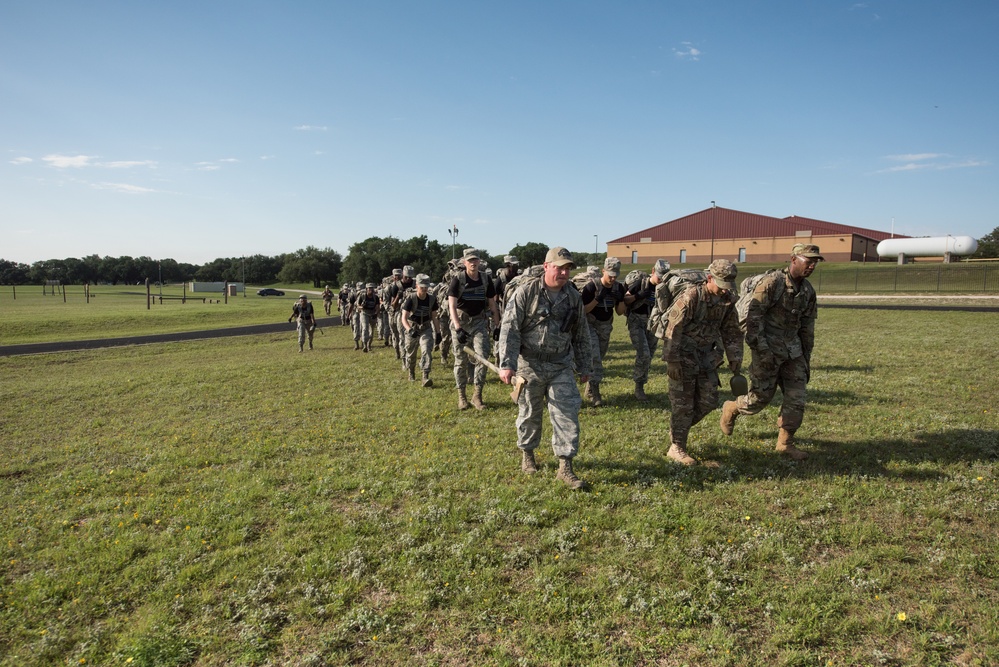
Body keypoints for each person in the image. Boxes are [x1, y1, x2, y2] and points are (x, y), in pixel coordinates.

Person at [498, 246, 592, 490]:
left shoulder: (572, 296)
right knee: (529, 413)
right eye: (559, 267)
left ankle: (565, 466)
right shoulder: (526, 292)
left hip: (561, 364)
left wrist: (585, 365)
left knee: (566, 413)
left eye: (567, 268)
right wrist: (507, 364)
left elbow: (581, 332)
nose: (563, 272)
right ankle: (528, 454)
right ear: (546, 266)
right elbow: (510, 329)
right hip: (529, 365)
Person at [720, 244, 823, 460]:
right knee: (759, 399)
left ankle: (785, 443)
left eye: (815, 262)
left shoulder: (807, 291)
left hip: (793, 353)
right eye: (808, 260)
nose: (812, 265)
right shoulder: (772, 283)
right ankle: (732, 408)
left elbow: (807, 328)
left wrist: (806, 358)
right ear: (794, 259)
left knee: (797, 399)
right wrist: (762, 352)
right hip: (767, 350)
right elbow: (753, 320)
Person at [664, 260, 744, 465]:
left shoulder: (727, 300)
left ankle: (677, 431)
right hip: (682, 357)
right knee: (683, 405)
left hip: (707, 358)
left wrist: (735, 356)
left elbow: (732, 330)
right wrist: (672, 361)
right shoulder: (691, 297)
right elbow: (673, 328)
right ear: (709, 279)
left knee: (709, 401)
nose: (724, 291)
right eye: (721, 285)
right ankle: (677, 447)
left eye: (728, 286)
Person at [448, 248, 501, 410]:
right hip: (461, 323)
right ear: (464, 262)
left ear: (479, 262)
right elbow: (452, 305)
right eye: (470, 260)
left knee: (483, 357)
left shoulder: (486, 279)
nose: (473, 263)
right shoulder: (458, 279)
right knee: (460, 360)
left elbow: (492, 304)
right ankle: (461, 396)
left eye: (475, 260)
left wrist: (497, 325)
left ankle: (477, 395)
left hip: (479, 322)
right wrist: (458, 328)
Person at [580, 256, 631, 406]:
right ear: (603, 271)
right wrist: (597, 299)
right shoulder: (591, 287)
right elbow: (582, 311)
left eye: (616, 276)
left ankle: (590, 388)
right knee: (595, 358)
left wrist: (621, 299)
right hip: (590, 325)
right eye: (610, 275)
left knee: (599, 357)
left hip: (605, 327)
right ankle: (595, 392)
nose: (613, 279)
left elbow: (620, 312)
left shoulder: (618, 288)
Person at [625, 259, 669, 401]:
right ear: (652, 271)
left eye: (664, 277)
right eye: (659, 277)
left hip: (654, 323)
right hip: (637, 321)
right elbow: (626, 299)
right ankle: (639, 387)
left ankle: (641, 383)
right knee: (643, 354)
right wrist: (639, 295)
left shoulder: (664, 287)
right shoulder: (641, 283)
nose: (661, 280)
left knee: (649, 355)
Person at [401, 274, 442, 387]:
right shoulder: (411, 298)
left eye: (426, 287)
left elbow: (434, 317)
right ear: (417, 285)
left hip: (425, 328)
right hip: (412, 328)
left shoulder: (432, 299)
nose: (424, 289)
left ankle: (425, 376)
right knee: (411, 353)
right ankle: (411, 372)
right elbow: (404, 318)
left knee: (426, 350)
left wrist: (438, 333)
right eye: (421, 287)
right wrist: (409, 330)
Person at [354, 283, 381, 352]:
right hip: (364, 313)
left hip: (372, 313)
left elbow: (378, 307)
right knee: (365, 328)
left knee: (371, 331)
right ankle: (365, 345)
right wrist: (362, 307)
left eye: (372, 288)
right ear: (366, 289)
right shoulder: (362, 296)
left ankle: (369, 345)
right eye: (369, 288)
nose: (371, 290)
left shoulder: (376, 297)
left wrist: (376, 313)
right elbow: (358, 305)